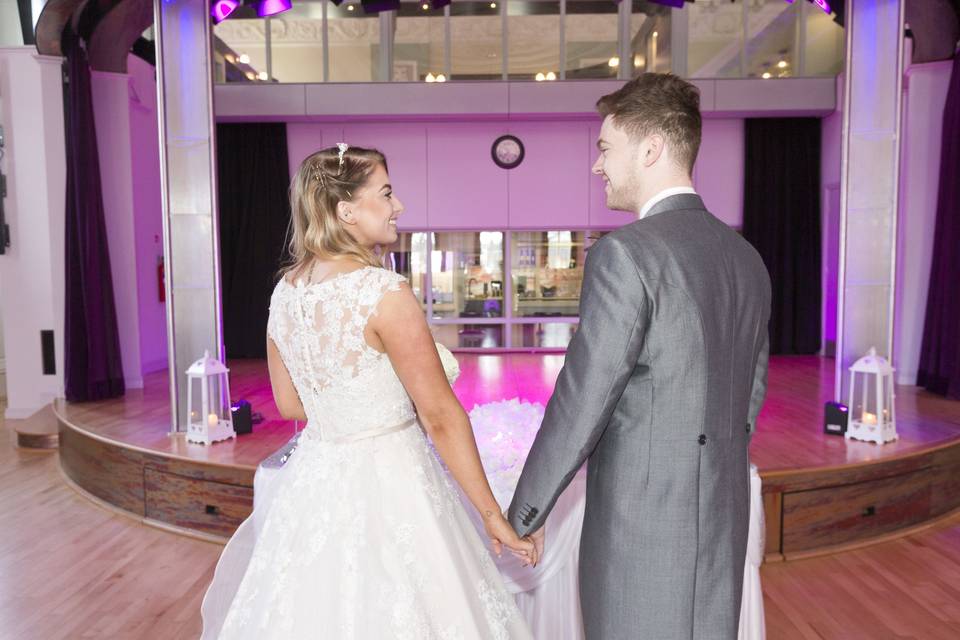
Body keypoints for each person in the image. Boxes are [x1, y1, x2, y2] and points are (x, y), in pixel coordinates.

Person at [201, 143, 535, 639]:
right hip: (393, 477)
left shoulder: (284, 290)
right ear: (347, 210)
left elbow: (292, 404)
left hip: (316, 480)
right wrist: (494, 517)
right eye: (387, 192)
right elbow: (440, 417)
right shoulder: (383, 293)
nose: (398, 205)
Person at [507, 73, 772, 640]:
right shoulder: (747, 259)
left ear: (650, 148)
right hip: (722, 514)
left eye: (606, 148)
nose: (597, 165)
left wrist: (525, 512)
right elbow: (749, 394)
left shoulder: (625, 255)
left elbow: (585, 398)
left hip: (642, 521)